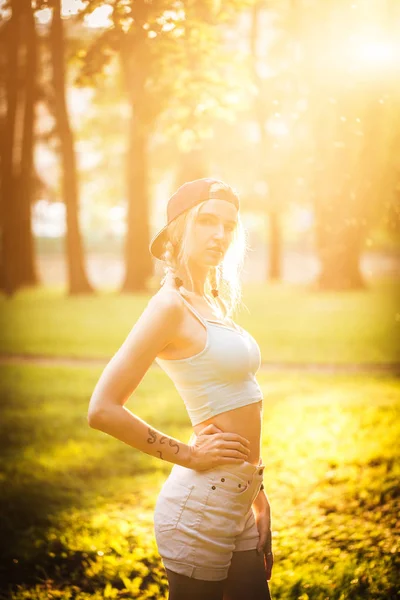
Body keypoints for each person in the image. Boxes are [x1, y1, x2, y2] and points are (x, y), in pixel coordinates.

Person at [88, 178, 273, 600]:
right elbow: (102, 409)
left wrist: (258, 498)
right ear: (178, 229)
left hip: (237, 497)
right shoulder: (169, 307)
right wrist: (189, 454)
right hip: (200, 507)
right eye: (207, 221)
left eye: (229, 225)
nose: (220, 235)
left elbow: (237, 403)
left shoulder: (211, 303)